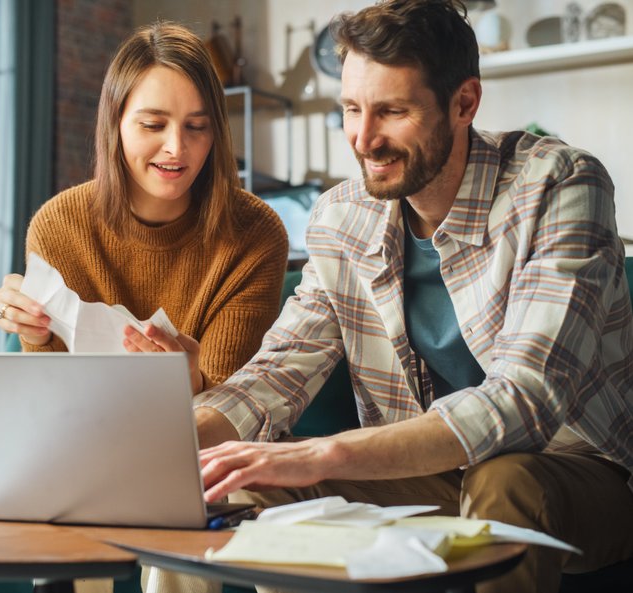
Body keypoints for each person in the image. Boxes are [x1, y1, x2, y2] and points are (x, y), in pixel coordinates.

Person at [192, 1, 633, 592]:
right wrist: (172, 442)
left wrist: (324, 454)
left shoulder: (557, 183)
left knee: (504, 481)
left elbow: (525, 400)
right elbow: (278, 373)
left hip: (575, 472)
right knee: (231, 478)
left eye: (392, 111)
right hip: (424, 476)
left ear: (464, 103)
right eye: (351, 109)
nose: (364, 139)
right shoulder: (340, 218)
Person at [0, 22, 288, 402]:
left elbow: (235, 407)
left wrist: (193, 383)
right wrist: (35, 333)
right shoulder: (59, 226)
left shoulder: (255, 233)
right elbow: (55, 400)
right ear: (115, 124)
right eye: (153, 125)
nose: (176, 147)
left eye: (197, 127)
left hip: (210, 449)